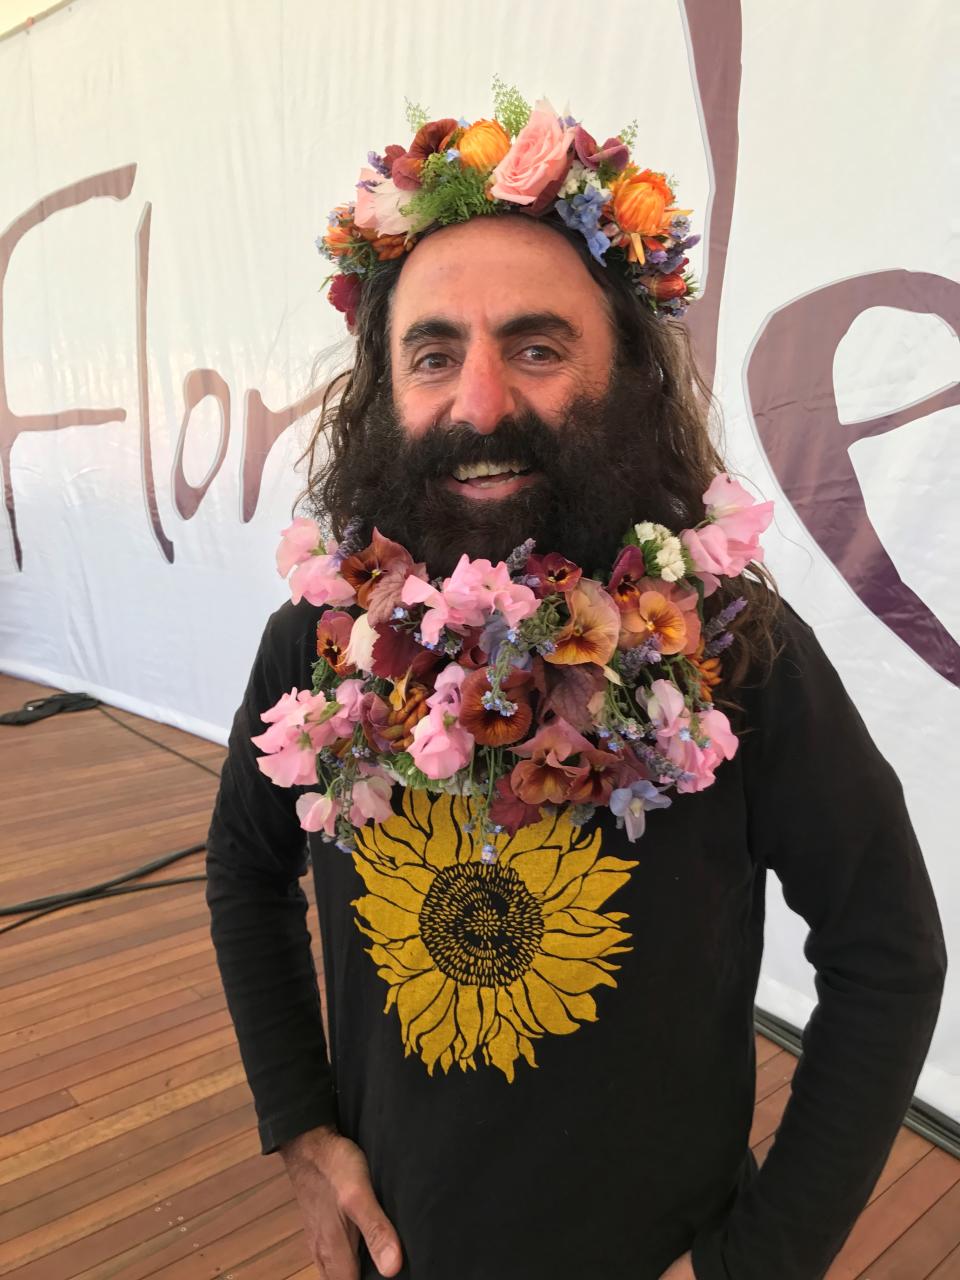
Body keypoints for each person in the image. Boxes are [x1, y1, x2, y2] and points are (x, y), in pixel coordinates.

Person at [204, 95, 947, 1280]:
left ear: (631, 378)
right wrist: (301, 1125)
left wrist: (763, 1261)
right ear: (385, 386)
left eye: (538, 348)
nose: (482, 401)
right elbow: (246, 867)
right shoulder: (319, 636)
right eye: (435, 352)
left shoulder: (736, 644)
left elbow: (889, 946)